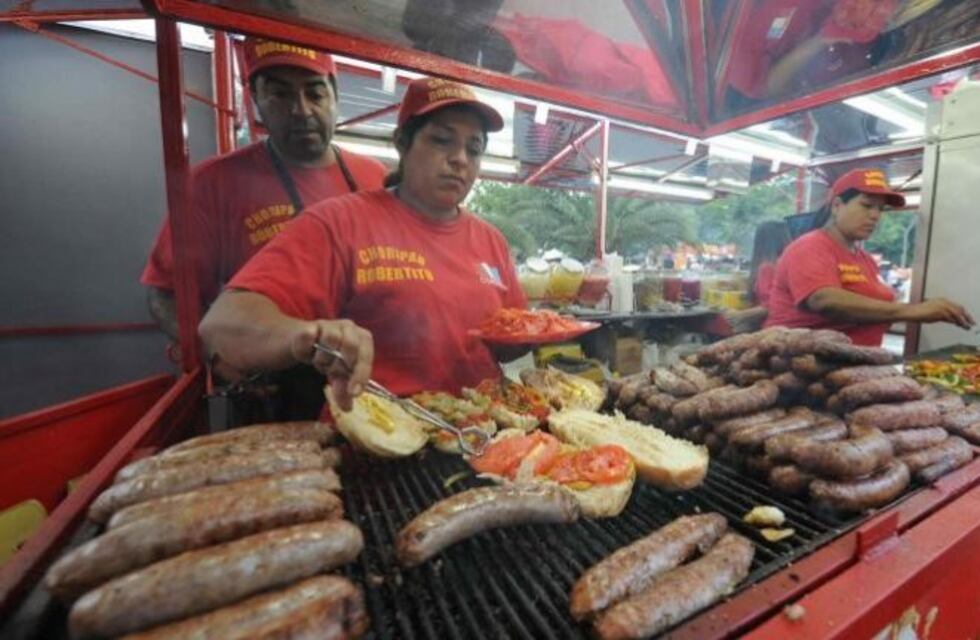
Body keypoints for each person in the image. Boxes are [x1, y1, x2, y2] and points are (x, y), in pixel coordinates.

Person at [198, 77, 527, 412]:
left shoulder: (492, 241)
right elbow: (221, 324)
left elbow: (510, 346)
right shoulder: (340, 223)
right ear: (403, 143)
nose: (460, 159)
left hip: (483, 434)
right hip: (380, 438)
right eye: (441, 140)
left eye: (474, 149)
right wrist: (306, 335)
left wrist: (562, 333)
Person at [140, 38, 386, 419]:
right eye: (280, 95)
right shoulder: (213, 183)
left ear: (336, 96)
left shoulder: (377, 179)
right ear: (255, 102)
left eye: (315, 93)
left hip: (371, 381)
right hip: (270, 389)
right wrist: (216, 353)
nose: (301, 110)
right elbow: (165, 296)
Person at [764, 168, 974, 346]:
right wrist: (912, 311)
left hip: (855, 367)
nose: (875, 215)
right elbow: (824, 299)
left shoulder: (865, 260)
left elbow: (877, 305)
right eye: (867, 205)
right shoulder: (811, 246)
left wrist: (927, 306)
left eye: (880, 209)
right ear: (837, 206)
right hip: (803, 369)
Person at [727, 220, 793, 334]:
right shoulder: (790, 264)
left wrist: (739, 316)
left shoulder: (767, 267)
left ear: (761, 242)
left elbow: (771, 305)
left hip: (774, 330)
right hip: (793, 328)